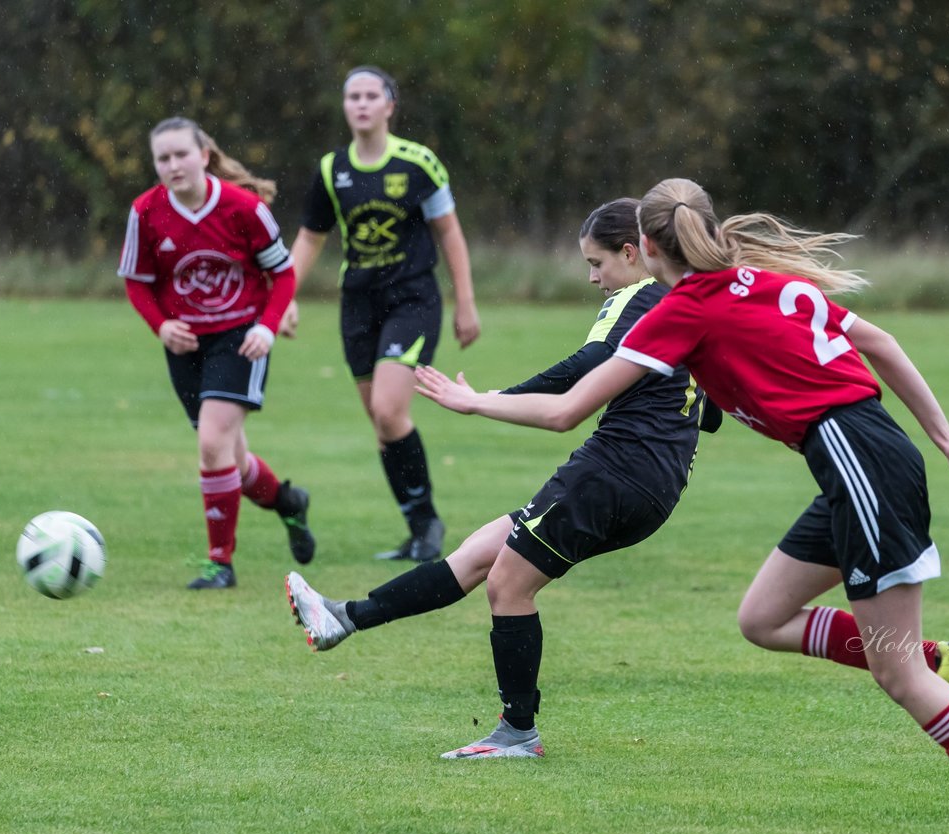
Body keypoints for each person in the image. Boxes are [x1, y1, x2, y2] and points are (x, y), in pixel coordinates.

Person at [412, 179, 949, 834]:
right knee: (763, 618)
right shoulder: (754, 279)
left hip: (859, 467)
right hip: (861, 462)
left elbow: (564, 412)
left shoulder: (683, 309)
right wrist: (944, 437)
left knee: (897, 677)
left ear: (642, 247)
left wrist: (476, 402)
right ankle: (941, 662)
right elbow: (882, 341)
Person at [285, 198, 723, 758]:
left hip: (612, 472)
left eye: (597, 263)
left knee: (508, 585)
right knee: (480, 554)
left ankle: (518, 733)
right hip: (654, 487)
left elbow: (582, 369)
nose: (593, 278)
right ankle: (342, 618)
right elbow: (707, 414)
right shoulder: (686, 306)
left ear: (633, 253)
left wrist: (482, 400)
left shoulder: (637, 296)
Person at [290, 65, 481, 563]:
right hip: (357, 304)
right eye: (352, 95)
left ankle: (427, 526)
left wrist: (466, 301)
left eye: (371, 95)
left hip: (413, 300)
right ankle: (419, 529)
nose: (361, 104)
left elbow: (450, 233)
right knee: (383, 425)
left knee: (389, 411)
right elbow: (310, 238)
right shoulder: (333, 170)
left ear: (389, 106)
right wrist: (282, 298)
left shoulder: (419, 163)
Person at [117, 117, 316, 589]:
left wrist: (267, 329)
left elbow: (283, 276)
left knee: (211, 443)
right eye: (162, 158)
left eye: (180, 154)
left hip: (240, 339)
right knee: (229, 457)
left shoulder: (243, 209)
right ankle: (288, 502)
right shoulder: (146, 212)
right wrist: (161, 326)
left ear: (203, 155)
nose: (172, 165)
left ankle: (220, 563)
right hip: (185, 345)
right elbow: (137, 282)